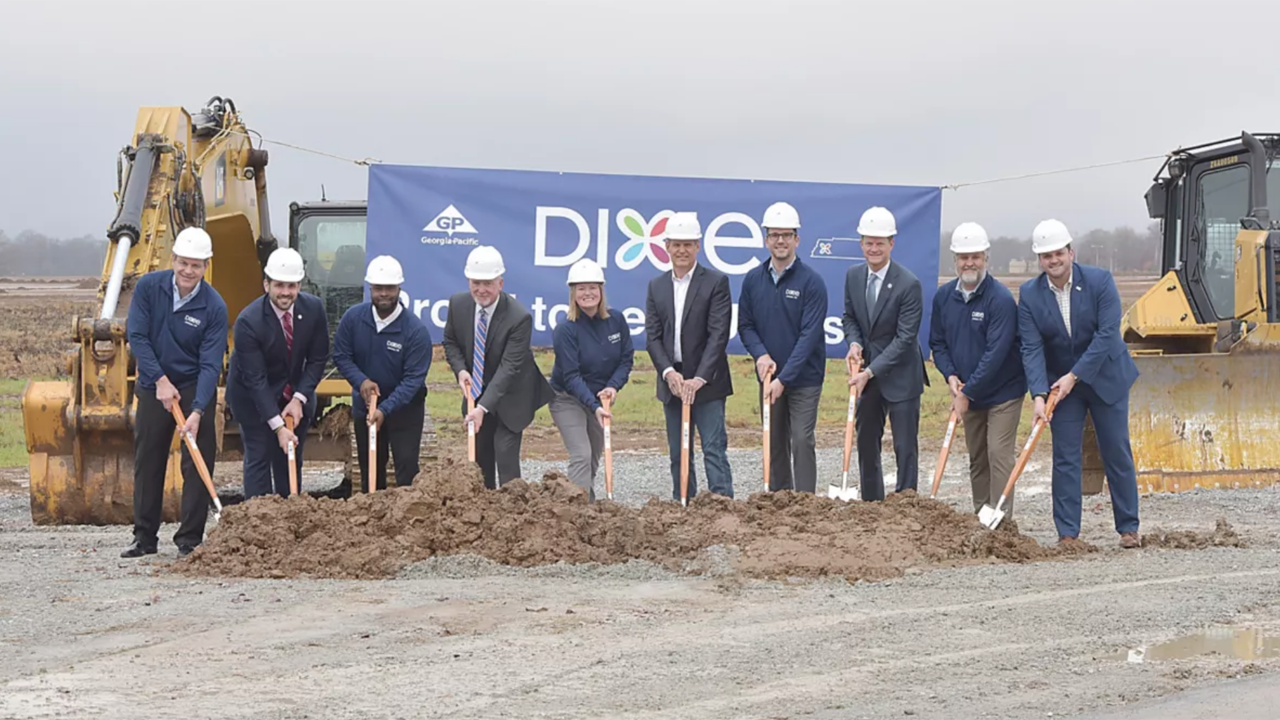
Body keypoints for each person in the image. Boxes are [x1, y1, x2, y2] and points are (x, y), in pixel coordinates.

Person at [1017, 219, 1141, 548]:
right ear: (1039, 260)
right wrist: (1039, 395)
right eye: (1046, 256)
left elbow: (1106, 336)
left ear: (1071, 252)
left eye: (1058, 253)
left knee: (1115, 450)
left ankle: (1128, 528)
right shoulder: (1030, 294)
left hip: (1105, 376)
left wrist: (1075, 376)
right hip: (1061, 386)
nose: (1053, 260)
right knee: (1066, 456)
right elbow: (1030, 347)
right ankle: (1068, 533)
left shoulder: (1100, 281)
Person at [120, 227, 228, 558]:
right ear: (173, 259)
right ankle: (144, 538)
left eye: (196, 265)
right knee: (149, 458)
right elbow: (137, 337)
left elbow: (211, 364)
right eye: (183, 263)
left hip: (195, 383)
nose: (188, 271)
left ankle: (189, 539)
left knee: (197, 462)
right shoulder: (149, 288)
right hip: (155, 382)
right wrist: (160, 381)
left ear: (206, 266)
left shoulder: (214, 306)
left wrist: (197, 411)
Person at [928, 222, 1027, 516]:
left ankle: (1001, 521)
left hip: (1003, 392)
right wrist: (951, 377)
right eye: (963, 257)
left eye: (975, 256)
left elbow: (995, 355)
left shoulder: (1000, 300)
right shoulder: (944, 297)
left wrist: (966, 392)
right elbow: (938, 342)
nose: (969, 262)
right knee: (978, 456)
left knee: (998, 453)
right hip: (968, 392)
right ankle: (980, 516)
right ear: (955, 260)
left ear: (986, 258)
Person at [442, 245, 554, 488]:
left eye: (488, 283)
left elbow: (509, 368)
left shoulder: (519, 317)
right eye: (476, 282)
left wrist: (482, 408)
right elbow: (450, 342)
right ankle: (483, 515)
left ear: (500, 283)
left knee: (505, 456)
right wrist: (461, 371)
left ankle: (511, 515)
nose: (481, 290)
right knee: (480, 460)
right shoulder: (458, 305)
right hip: (476, 392)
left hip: (512, 396)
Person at [737, 201, 829, 494]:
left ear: (796, 239)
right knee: (774, 440)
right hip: (768, 378)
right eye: (774, 235)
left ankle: (804, 502)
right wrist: (761, 355)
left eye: (786, 235)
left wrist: (784, 379)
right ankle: (780, 500)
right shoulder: (753, 280)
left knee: (802, 440)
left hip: (804, 379)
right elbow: (746, 326)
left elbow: (809, 336)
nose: (780, 240)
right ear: (766, 239)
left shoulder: (812, 283)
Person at [225, 247, 329, 500]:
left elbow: (317, 359)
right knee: (260, 452)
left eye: (291, 286)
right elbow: (256, 380)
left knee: (291, 454)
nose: (285, 292)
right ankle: (259, 517)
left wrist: (299, 399)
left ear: (299, 285)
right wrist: (278, 427)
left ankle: (289, 514)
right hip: (252, 397)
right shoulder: (249, 322)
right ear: (266, 284)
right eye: (279, 285)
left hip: (294, 392)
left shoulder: (313, 309)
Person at [644, 212, 735, 499]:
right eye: (676, 244)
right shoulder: (656, 286)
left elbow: (718, 335)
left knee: (713, 448)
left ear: (698, 246)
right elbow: (653, 336)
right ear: (666, 246)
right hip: (673, 382)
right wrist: (668, 372)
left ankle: (722, 505)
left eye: (688, 244)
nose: (681, 250)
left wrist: (700, 378)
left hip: (707, 382)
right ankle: (683, 502)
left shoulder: (716, 282)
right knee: (678, 451)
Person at [841, 206, 929, 500]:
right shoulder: (853, 276)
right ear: (861, 244)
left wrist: (869, 371)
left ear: (892, 243)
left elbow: (905, 339)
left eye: (880, 242)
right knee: (866, 443)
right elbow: (850, 318)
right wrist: (854, 343)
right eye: (869, 242)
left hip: (901, 376)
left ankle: (905, 504)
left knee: (905, 447)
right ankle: (872, 504)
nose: (874, 248)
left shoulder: (909, 284)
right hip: (868, 378)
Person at [332, 255, 433, 492]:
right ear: (370, 289)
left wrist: (384, 410)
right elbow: (342, 356)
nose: (384, 294)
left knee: (406, 471)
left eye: (389, 288)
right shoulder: (353, 319)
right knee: (371, 472)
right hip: (365, 410)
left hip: (405, 412)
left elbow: (413, 381)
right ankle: (371, 519)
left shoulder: (415, 331)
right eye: (378, 288)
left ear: (399, 288)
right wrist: (361, 381)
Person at [548, 258, 634, 500]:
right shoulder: (566, 329)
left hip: (599, 397)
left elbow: (626, 359)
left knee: (595, 455)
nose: (588, 293)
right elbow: (571, 376)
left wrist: (612, 387)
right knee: (582, 454)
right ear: (573, 293)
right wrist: (595, 406)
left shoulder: (616, 320)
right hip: (567, 398)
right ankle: (577, 511)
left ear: (601, 290)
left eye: (592, 287)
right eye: (581, 288)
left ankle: (587, 499)